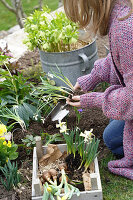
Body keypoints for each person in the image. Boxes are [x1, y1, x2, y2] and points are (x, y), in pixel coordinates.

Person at [64, 0, 133, 180]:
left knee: (112, 139)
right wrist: (93, 77)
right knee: (115, 117)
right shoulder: (123, 10)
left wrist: (95, 99)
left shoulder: (125, 29)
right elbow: (119, 59)